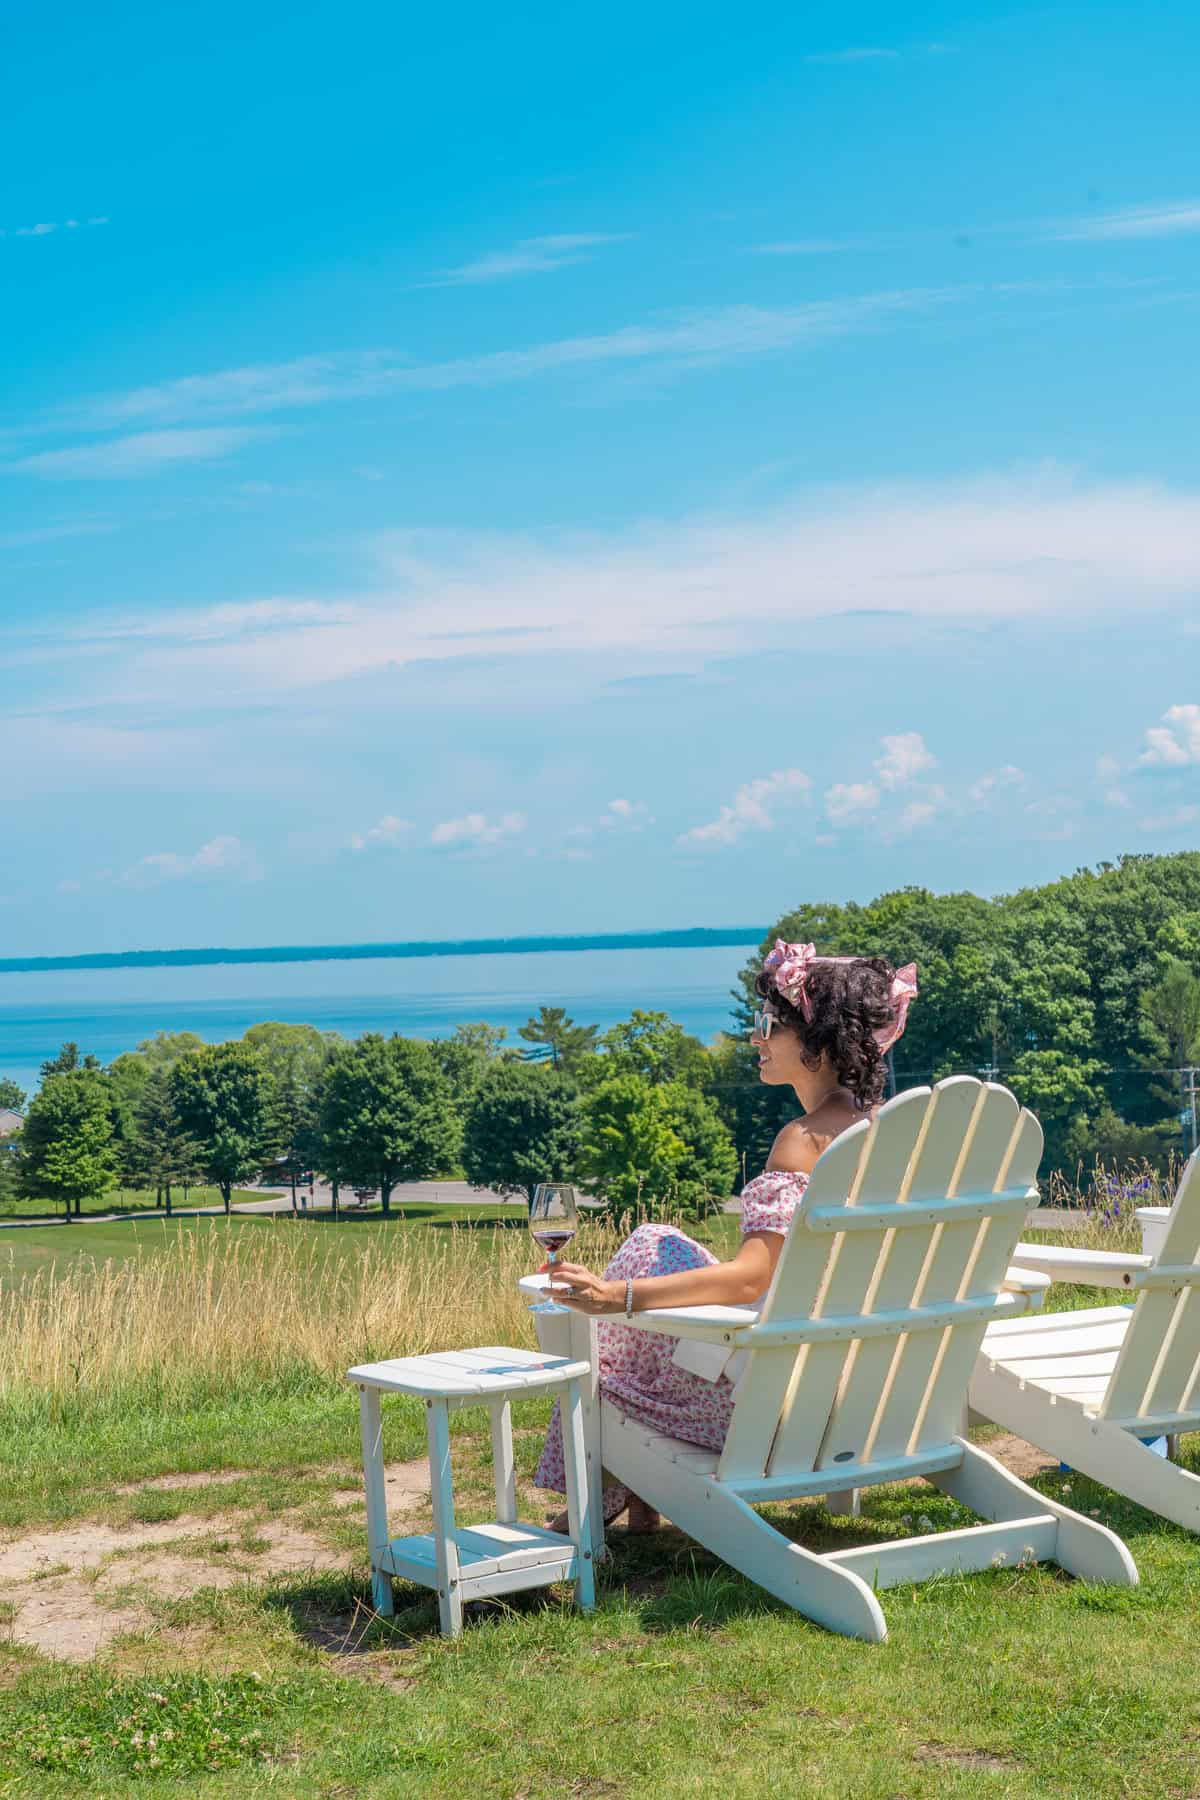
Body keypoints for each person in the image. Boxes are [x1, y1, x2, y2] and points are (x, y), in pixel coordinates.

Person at [535, 940, 918, 1532]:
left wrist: (617, 1296)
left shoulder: (804, 1141)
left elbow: (750, 1280)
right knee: (656, 1241)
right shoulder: (890, 1134)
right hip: (863, 1389)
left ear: (817, 1044)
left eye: (769, 1025)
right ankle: (638, 1501)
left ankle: (601, 1497)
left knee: (607, 1370)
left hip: (773, 1410)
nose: (756, 1038)